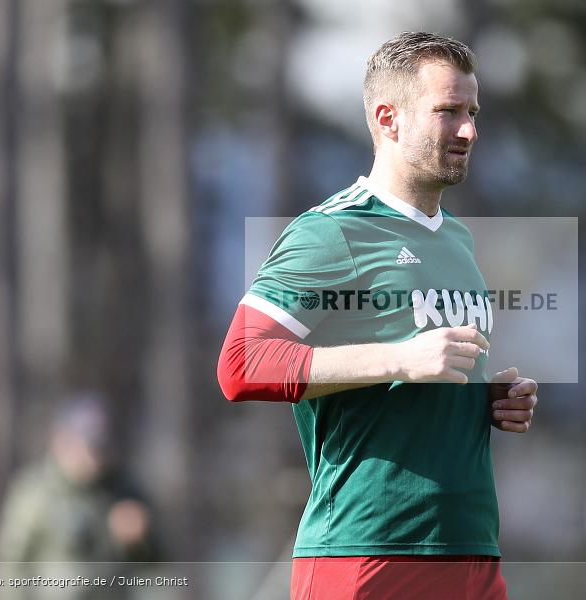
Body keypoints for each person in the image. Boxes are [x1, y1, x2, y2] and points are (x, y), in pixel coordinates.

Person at [218, 31, 538, 600]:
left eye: (472, 112)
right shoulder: (332, 232)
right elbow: (240, 366)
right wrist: (402, 359)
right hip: (366, 552)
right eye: (447, 112)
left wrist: (484, 399)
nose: (469, 130)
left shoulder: (459, 239)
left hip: (471, 548)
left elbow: (417, 379)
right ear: (388, 118)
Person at [0, 395, 161, 599]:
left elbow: (156, 564)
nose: (97, 456)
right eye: (90, 445)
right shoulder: (35, 493)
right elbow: (12, 565)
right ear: (62, 441)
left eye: (103, 445)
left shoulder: (124, 490)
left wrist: (138, 540)